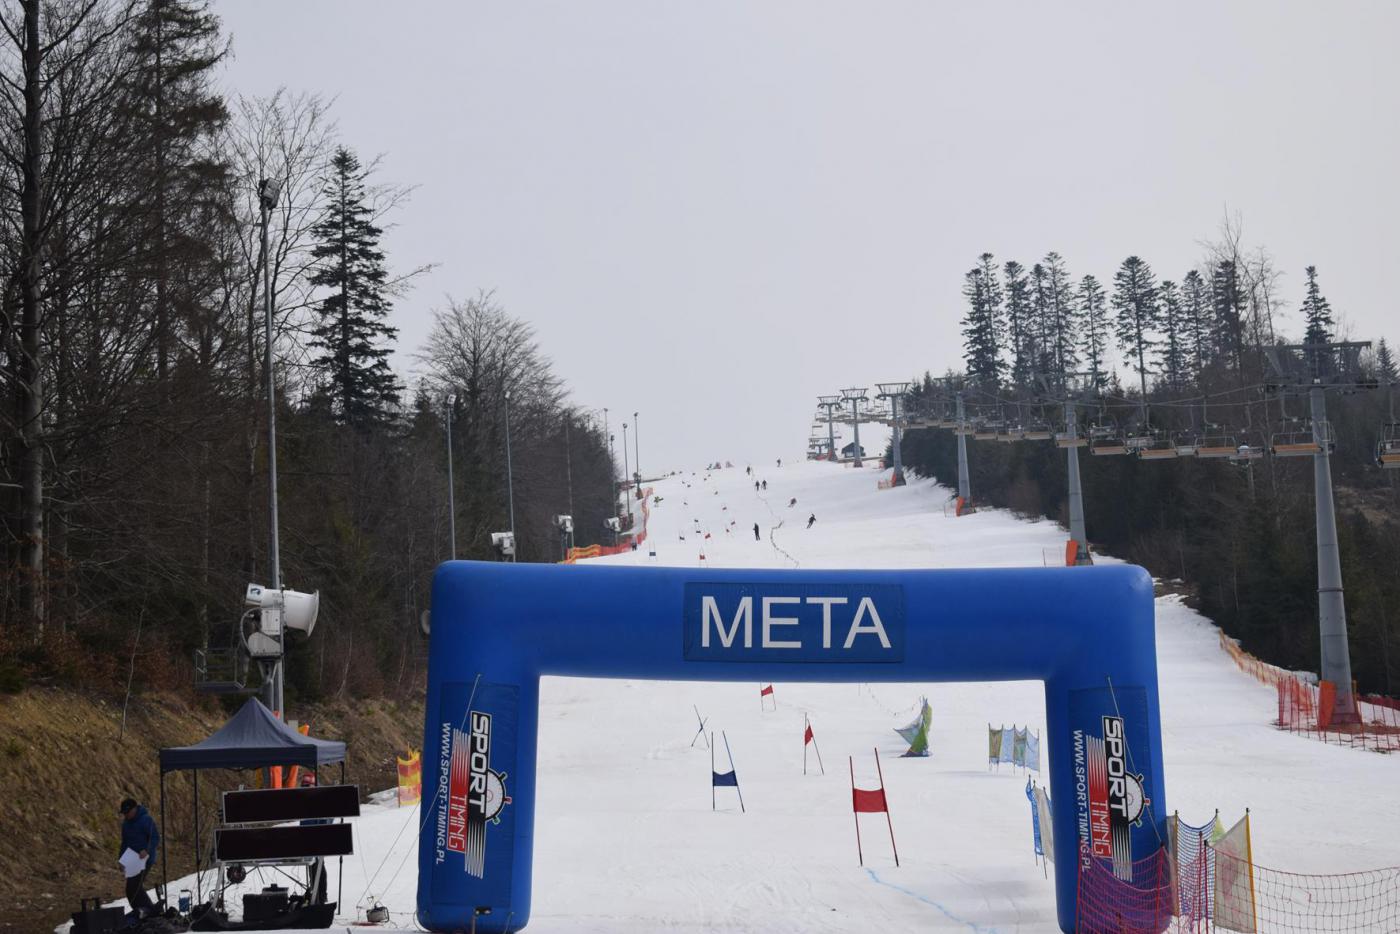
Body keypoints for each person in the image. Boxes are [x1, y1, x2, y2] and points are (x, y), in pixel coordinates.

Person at [119, 797, 160, 919]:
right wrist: (121, 860)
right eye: (124, 813)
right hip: (131, 860)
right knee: (130, 889)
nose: (126, 815)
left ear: (134, 809)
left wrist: (147, 850)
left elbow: (155, 838)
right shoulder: (126, 824)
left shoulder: (146, 820)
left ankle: (150, 912)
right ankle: (142, 912)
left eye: (127, 812)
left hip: (145, 859)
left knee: (135, 886)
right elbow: (124, 843)